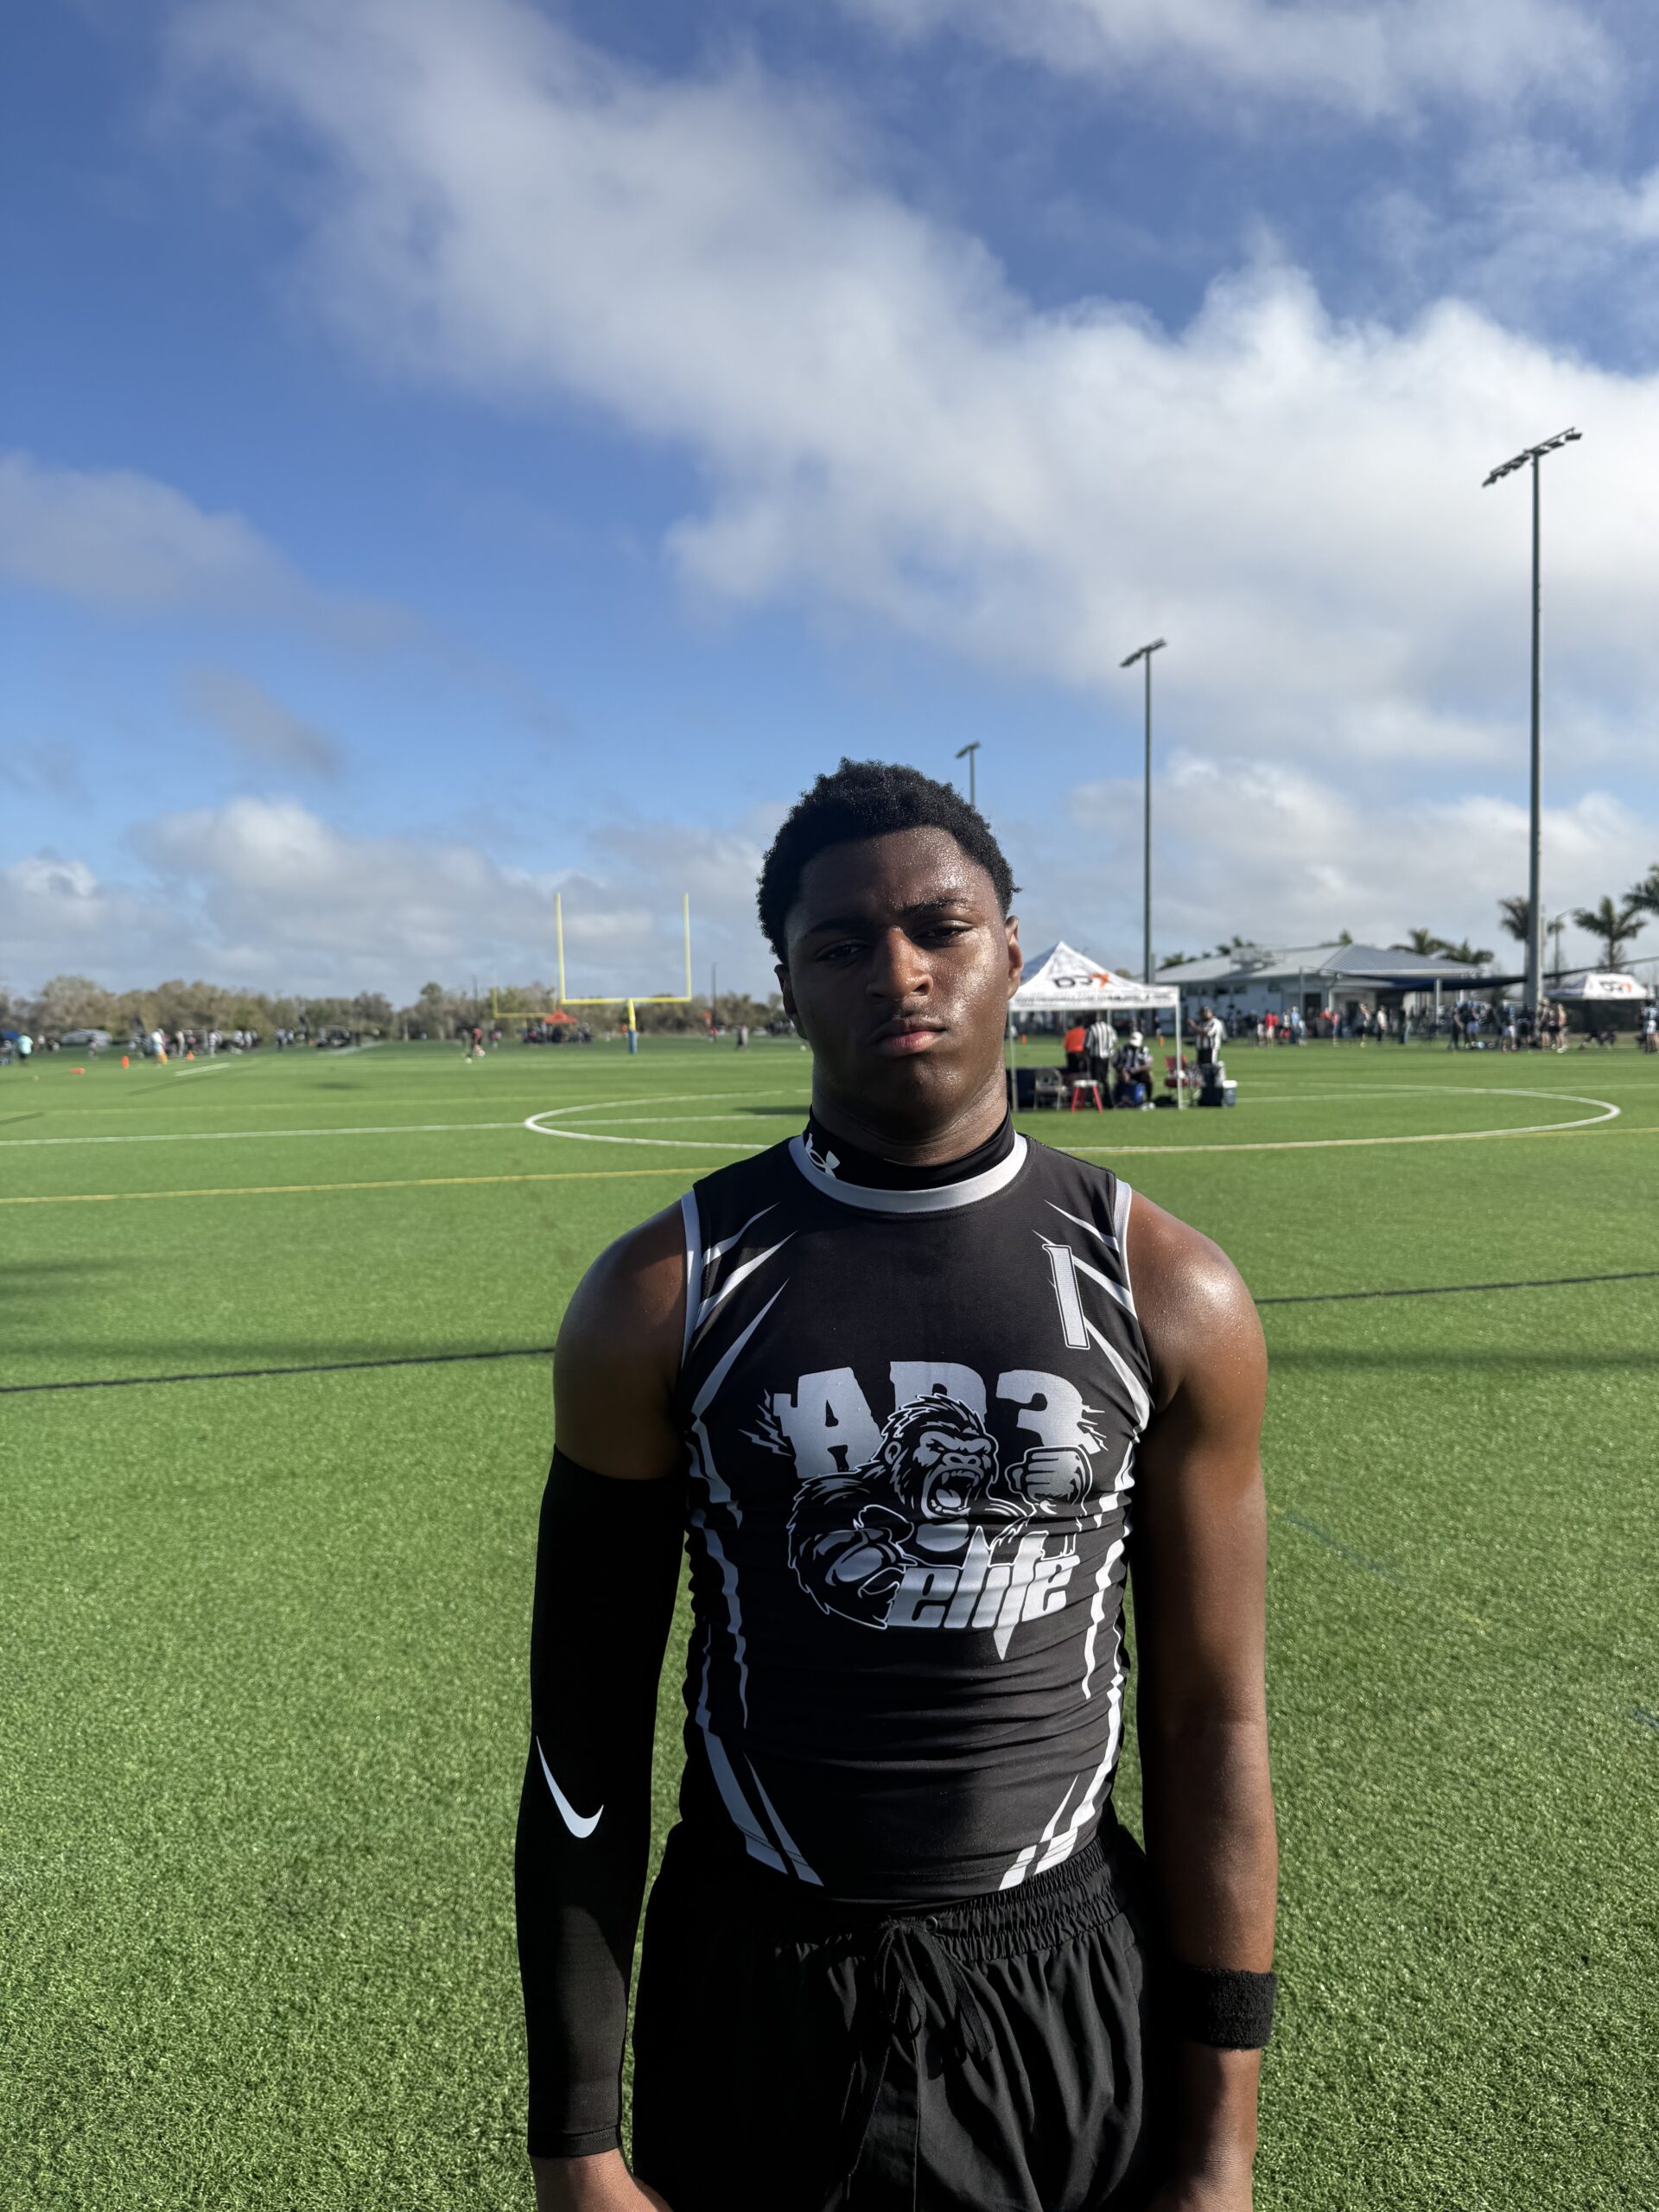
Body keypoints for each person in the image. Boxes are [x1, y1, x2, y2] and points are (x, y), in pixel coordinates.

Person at [515, 760, 1277, 2212]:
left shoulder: (1168, 1288)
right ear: (788, 987)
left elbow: (1213, 1723)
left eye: (941, 928)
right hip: (757, 1977)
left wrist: (1218, 2149)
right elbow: (582, 1747)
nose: (902, 972)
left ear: (1012, 951)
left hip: (1065, 1974)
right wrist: (576, 2149)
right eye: (843, 945)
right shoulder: (662, 1294)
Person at [1084, 1014, 1116, 1091]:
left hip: (1096, 1057)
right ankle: (1107, 1095)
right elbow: (1114, 1041)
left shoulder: (1092, 1028)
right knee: (1105, 1078)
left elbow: (1087, 1045)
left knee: (1095, 1079)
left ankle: (1095, 1095)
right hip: (1107, 1057)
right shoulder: (1109, 1027)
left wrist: (1086, 1056)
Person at [1193, 1006, 1223, 1072]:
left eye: (1202, 1014)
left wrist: (1193, 1026)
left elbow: (1207, 1033)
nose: (1201, 1016)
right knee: (1200, 1068)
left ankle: (1211, 1078)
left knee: (1210, 1067)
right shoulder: (1202, 1023)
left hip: (1210, 1049)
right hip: (1201, 1049)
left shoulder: (1214, 1022)